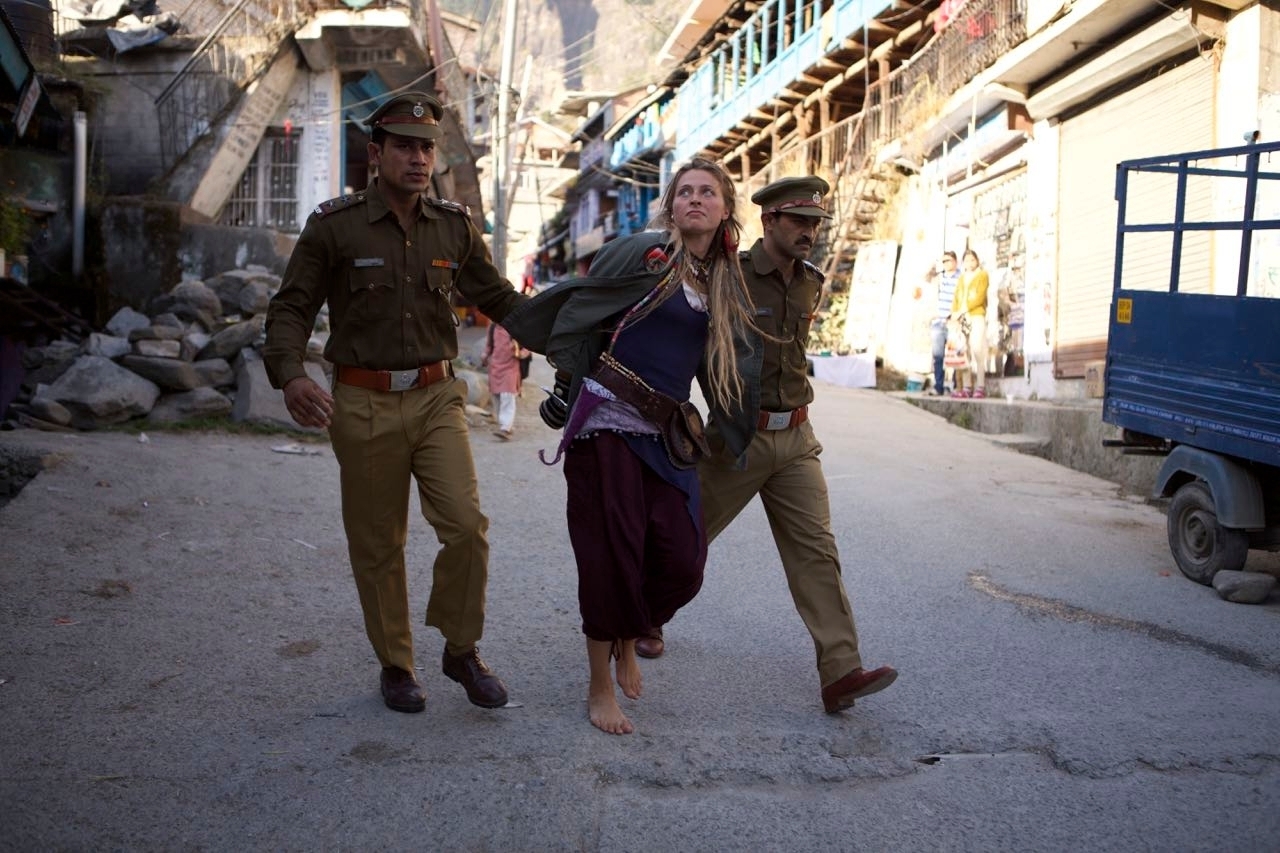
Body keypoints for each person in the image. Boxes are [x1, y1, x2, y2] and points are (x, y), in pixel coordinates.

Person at [262, 92, 527, 715]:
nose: (419, 158)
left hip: (437, 397)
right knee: (379, 543)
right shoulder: (335, 226)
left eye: (426, 148)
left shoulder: (453, 226)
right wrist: (291, 374)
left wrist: (569, 338)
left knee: (466, 526)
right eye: (405, 147)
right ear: (376, 154)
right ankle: (397, 665)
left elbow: (500, 299)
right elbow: (292, 306)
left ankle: (461, 650)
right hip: (362, 401)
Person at [502, 158, 762, 735]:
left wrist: (736, 425)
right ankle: (600, 682)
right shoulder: (643, 254)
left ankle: (629, 632)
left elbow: (723, 370)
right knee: (609, 556)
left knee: (684, 562)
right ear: (671, 206)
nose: (695, 199)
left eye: (708, 192)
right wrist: (565, 387)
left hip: (666, 435)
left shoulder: (723, 283)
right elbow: (584, 313)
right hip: (606, 423)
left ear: (725, 209)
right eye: (685, 191)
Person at [640, 175, 898, 716]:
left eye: (815, 224)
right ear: (769, 221)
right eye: (799, 221)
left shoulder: (810, 283)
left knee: (816, 552)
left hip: (797, 438)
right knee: (684, 539)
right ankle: (645, 616)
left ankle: (840, 671)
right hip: (737, 438)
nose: (809, 233)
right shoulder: (725, 276)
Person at [949, 248, 990, 398]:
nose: (970, 263)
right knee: (963, 351)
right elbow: (956, 298)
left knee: (977, 350)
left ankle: (980, 386)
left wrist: (964, 309)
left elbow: (980, 297)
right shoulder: (962, 278)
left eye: (972, 260)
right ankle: (967, 387)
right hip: (962, 318)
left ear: (977, 261)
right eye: (967, 260)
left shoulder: (982, 275)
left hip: (976, 315)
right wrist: (954, 313)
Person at [483, 321, 524, 440]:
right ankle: (505, 425)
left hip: (510, 368)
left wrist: (518, 353)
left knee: (508, 396)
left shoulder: (515, 327)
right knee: (496, 397)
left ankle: (505, 428)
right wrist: (485, 355)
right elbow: (489, 346)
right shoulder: (492, 327)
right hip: (495, 368)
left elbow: (527, 348)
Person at [930, 251, 959, 396]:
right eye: (944, 261)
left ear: (955, 261)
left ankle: (955, 386)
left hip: (953, 321)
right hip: (938, 321)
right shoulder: (940, 278)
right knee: (938, 355)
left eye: (948, 260)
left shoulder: (960, 277)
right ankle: (938, 386)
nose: (946, 264)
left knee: (955, 355)